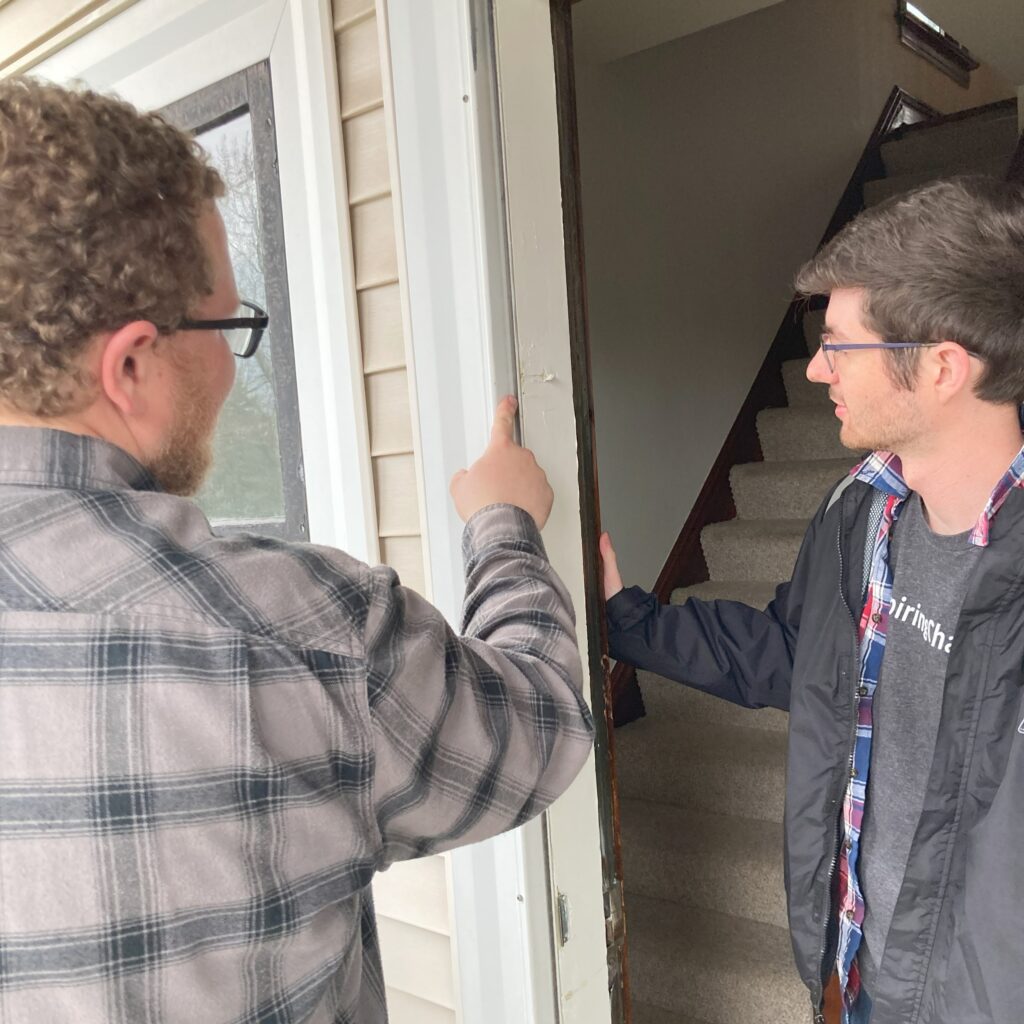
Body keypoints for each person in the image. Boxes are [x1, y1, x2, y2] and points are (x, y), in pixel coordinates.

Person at [0, 77, 594, 1022]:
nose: (235, 371)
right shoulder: (301, 635)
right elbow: (543, 728)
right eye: (229, 329)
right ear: (131, 366)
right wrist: (504, 530)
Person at [601, 175, 1024, 1024]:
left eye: (840, 344)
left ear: (942, 365)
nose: (818, 367)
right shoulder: (857, 512)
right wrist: (623, 616)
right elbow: (800, 658)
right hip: (865, 974)